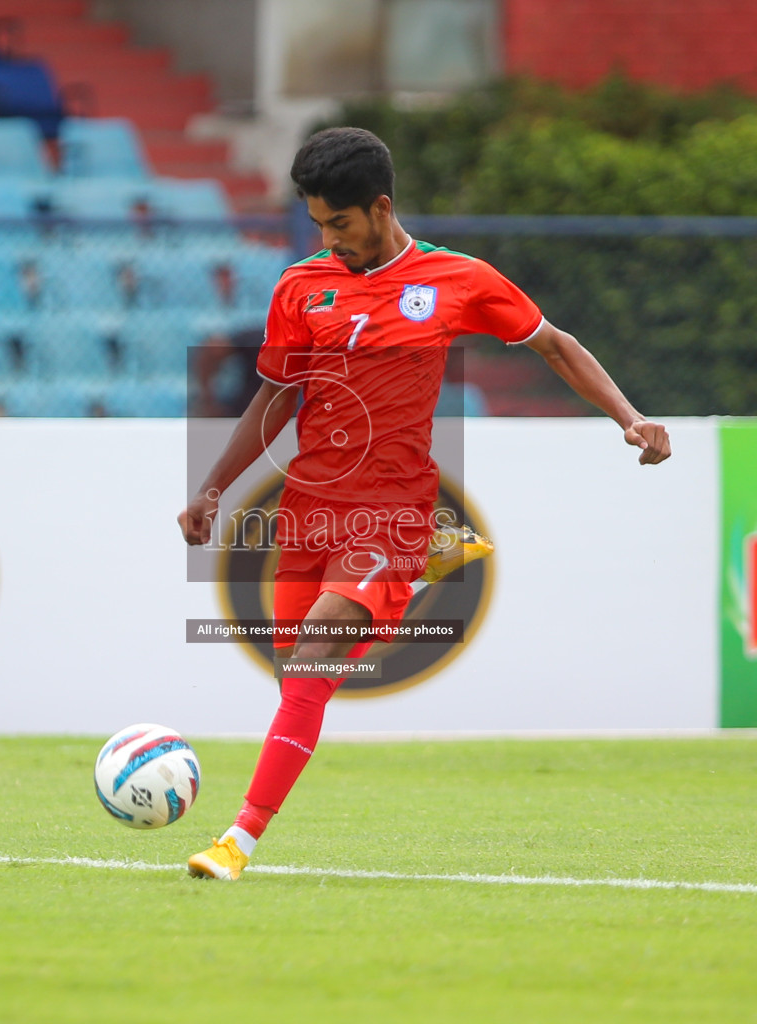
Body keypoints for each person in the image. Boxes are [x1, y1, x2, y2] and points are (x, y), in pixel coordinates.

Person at [176, 127, 671, 881]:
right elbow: (277, 397)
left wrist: (628, 417)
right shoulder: (300, 287)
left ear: (380, 208)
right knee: (304, 677)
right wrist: (213, 486)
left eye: (338, 222)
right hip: (309, 509)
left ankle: (236, 841)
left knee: (315, 650)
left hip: (393, 508)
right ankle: (416, 574)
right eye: (316, 224)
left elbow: (555, 344)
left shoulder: (457, 279)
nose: (328, 238)